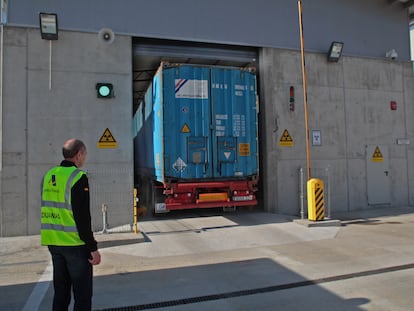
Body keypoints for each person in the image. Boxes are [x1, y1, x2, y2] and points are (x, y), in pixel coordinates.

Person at [40, 138, 101, 311]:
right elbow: (82, 217)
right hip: (75, 244)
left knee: (61, 293)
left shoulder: (48, 175)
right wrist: (92, 247)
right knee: (82, 296)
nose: (85, 158)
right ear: (78, 154)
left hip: (53, 242)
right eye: (85, 154)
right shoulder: (78, 177)